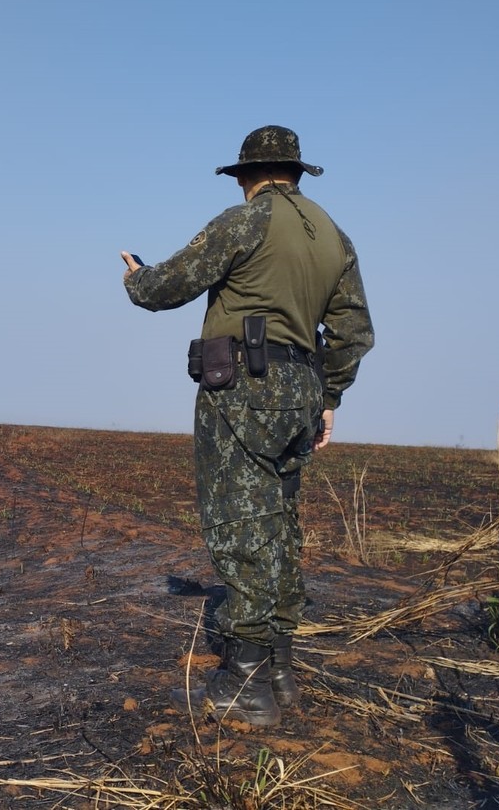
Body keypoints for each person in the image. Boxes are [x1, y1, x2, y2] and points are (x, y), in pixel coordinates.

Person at [121, 125, 374, 727]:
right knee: (279, 522)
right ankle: (281, 670)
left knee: (241, 523)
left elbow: (167, 287)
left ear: (246, 178)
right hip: (301, 391)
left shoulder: (246, 221)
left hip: (243, 388)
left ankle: (246, 682)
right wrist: (327, 396)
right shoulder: (333, 236)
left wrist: (136, 277)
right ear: (295, 172)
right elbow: (355, 333)